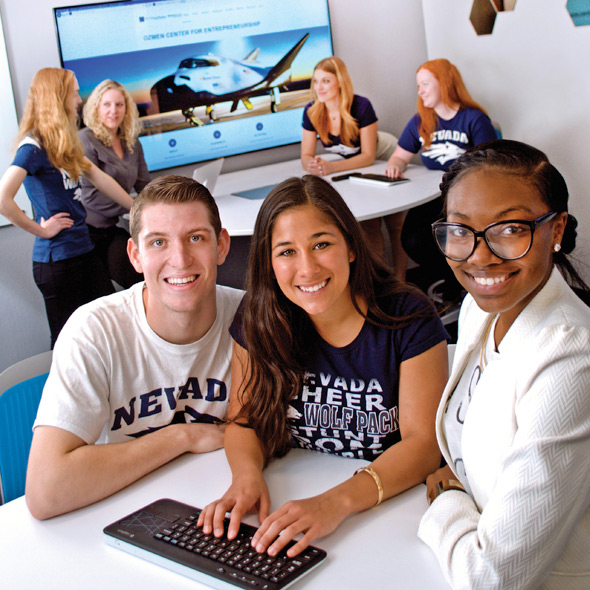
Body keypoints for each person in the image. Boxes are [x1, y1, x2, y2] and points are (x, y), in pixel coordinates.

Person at [198, 175, 449, 558]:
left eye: (321, 244)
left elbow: (424, 445)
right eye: (286, 252)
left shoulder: (409, 316)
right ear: (269, 262)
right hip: (293, 502)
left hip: (390, 512)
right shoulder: (258, 316)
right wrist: (246, 479)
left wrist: (336, 502)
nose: (308, 268)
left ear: (351, 245)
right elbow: (244, 420)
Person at [418, 140, 590, 589]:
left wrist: (448, 500)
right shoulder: (483, 305)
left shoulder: (572, 359)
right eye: (460, 230)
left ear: (556, 229)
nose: (480, 256)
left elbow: (491, 580)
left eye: (510, 228)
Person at [25, 175, 243, 520]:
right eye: (158, 243)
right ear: (135, 256)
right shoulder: (95, 330)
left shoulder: (253, 321)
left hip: (227, 508)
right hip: (128, 514)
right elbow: (45, 491)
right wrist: (182, 436)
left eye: (196, 238)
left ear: (221, 246)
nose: (180, 258)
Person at [0, 68, 135, 347]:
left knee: (108, 327)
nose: (78, 100)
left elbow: (101, 179)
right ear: (59, 97)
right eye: (74, 93)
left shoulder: (62, 143)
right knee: (67, 342)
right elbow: (3, 199)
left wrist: (138, 209)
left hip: (83, 251)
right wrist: (40, 229)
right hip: (57, 261)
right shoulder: (33, 146)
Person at [385, 59, 497, 298]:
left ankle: (464, 285)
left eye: (425, 84)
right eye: (418, 86)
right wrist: (395, 165)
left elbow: (491, 169)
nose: (420, 91)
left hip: (468, 199)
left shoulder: (474, 119)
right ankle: (457, 280)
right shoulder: (420, 121)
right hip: (434, 196)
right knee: (412, 239)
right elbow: (399, 157)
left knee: (436, 239)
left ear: (445, 83)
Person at [300, 57, 401, 276]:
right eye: (316, 81)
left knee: (395, 226)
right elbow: (305, 156)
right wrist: (314, 165)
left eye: (326, 81)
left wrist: (332, 168)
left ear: (340, 82)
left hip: (385, 157)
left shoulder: (361, 106)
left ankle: (402, 280)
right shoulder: (312, 111)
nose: (319, 87)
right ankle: (380, 285)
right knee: (369, 223)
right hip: (354, 166)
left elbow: (368, 156)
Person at [80, 79, 151, 288]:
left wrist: (161, 203)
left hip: (114, 228)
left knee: (141, 279)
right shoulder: (85, 140)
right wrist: (134, 208)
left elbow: (144, 184)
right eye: (107, 105)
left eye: (119, 105)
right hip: (89, 232)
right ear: (96, 108)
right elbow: (90, 196)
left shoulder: (131, 141)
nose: (114, 111)